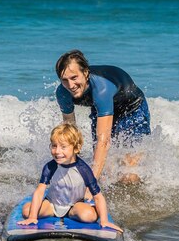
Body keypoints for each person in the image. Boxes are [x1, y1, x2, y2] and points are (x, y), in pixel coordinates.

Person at [55, 49, 151, 186]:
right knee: (106, 172)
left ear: (86, 73)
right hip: (101, 109)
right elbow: (71, 133)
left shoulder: (101, 89)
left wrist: (90, 184)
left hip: (132, 109)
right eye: (64, 80)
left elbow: (103, 142)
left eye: (74, 78)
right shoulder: (63, 93)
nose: (70, 85)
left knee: (129, 176)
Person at [17, 123, 122, 233]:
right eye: (54, 146)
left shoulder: (83, 169)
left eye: (63, 147)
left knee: (89, 216)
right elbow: (39, 191)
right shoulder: (50, 166)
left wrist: (104, 220)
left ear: (76, 148)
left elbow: (98, 197)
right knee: (27, 211)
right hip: (52, 205)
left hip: (74, 207)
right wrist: (32, 217)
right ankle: (31, 209)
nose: (57, 151)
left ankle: (88, 210)